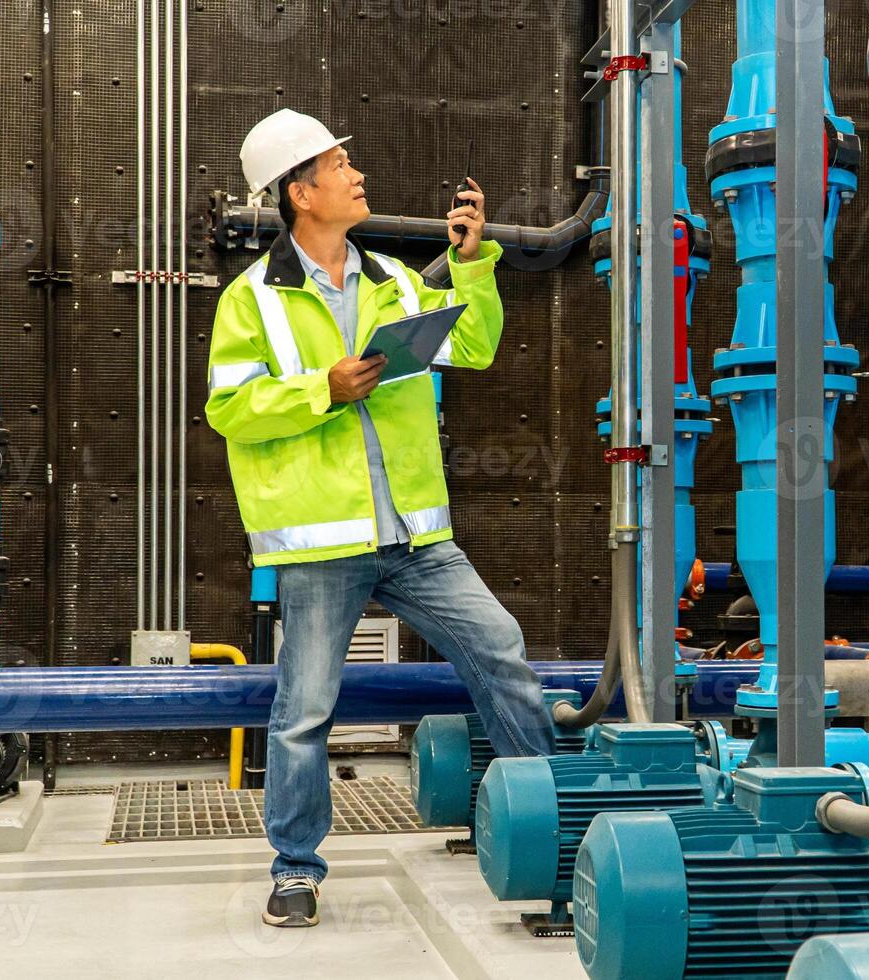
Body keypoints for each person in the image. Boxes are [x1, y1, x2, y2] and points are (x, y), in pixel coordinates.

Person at [205, 108, 556, 928]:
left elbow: (473, 350)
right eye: (340, 165)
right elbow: (230, 409)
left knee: (502, 652)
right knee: (304, 712)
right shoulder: (250, 301)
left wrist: (471, 267)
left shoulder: (397, 281)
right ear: (302, 193)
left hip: (419, 538)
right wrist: (323, 388)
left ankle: (555, 824)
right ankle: (296, 869)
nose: (357, 175)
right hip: (324, 544)